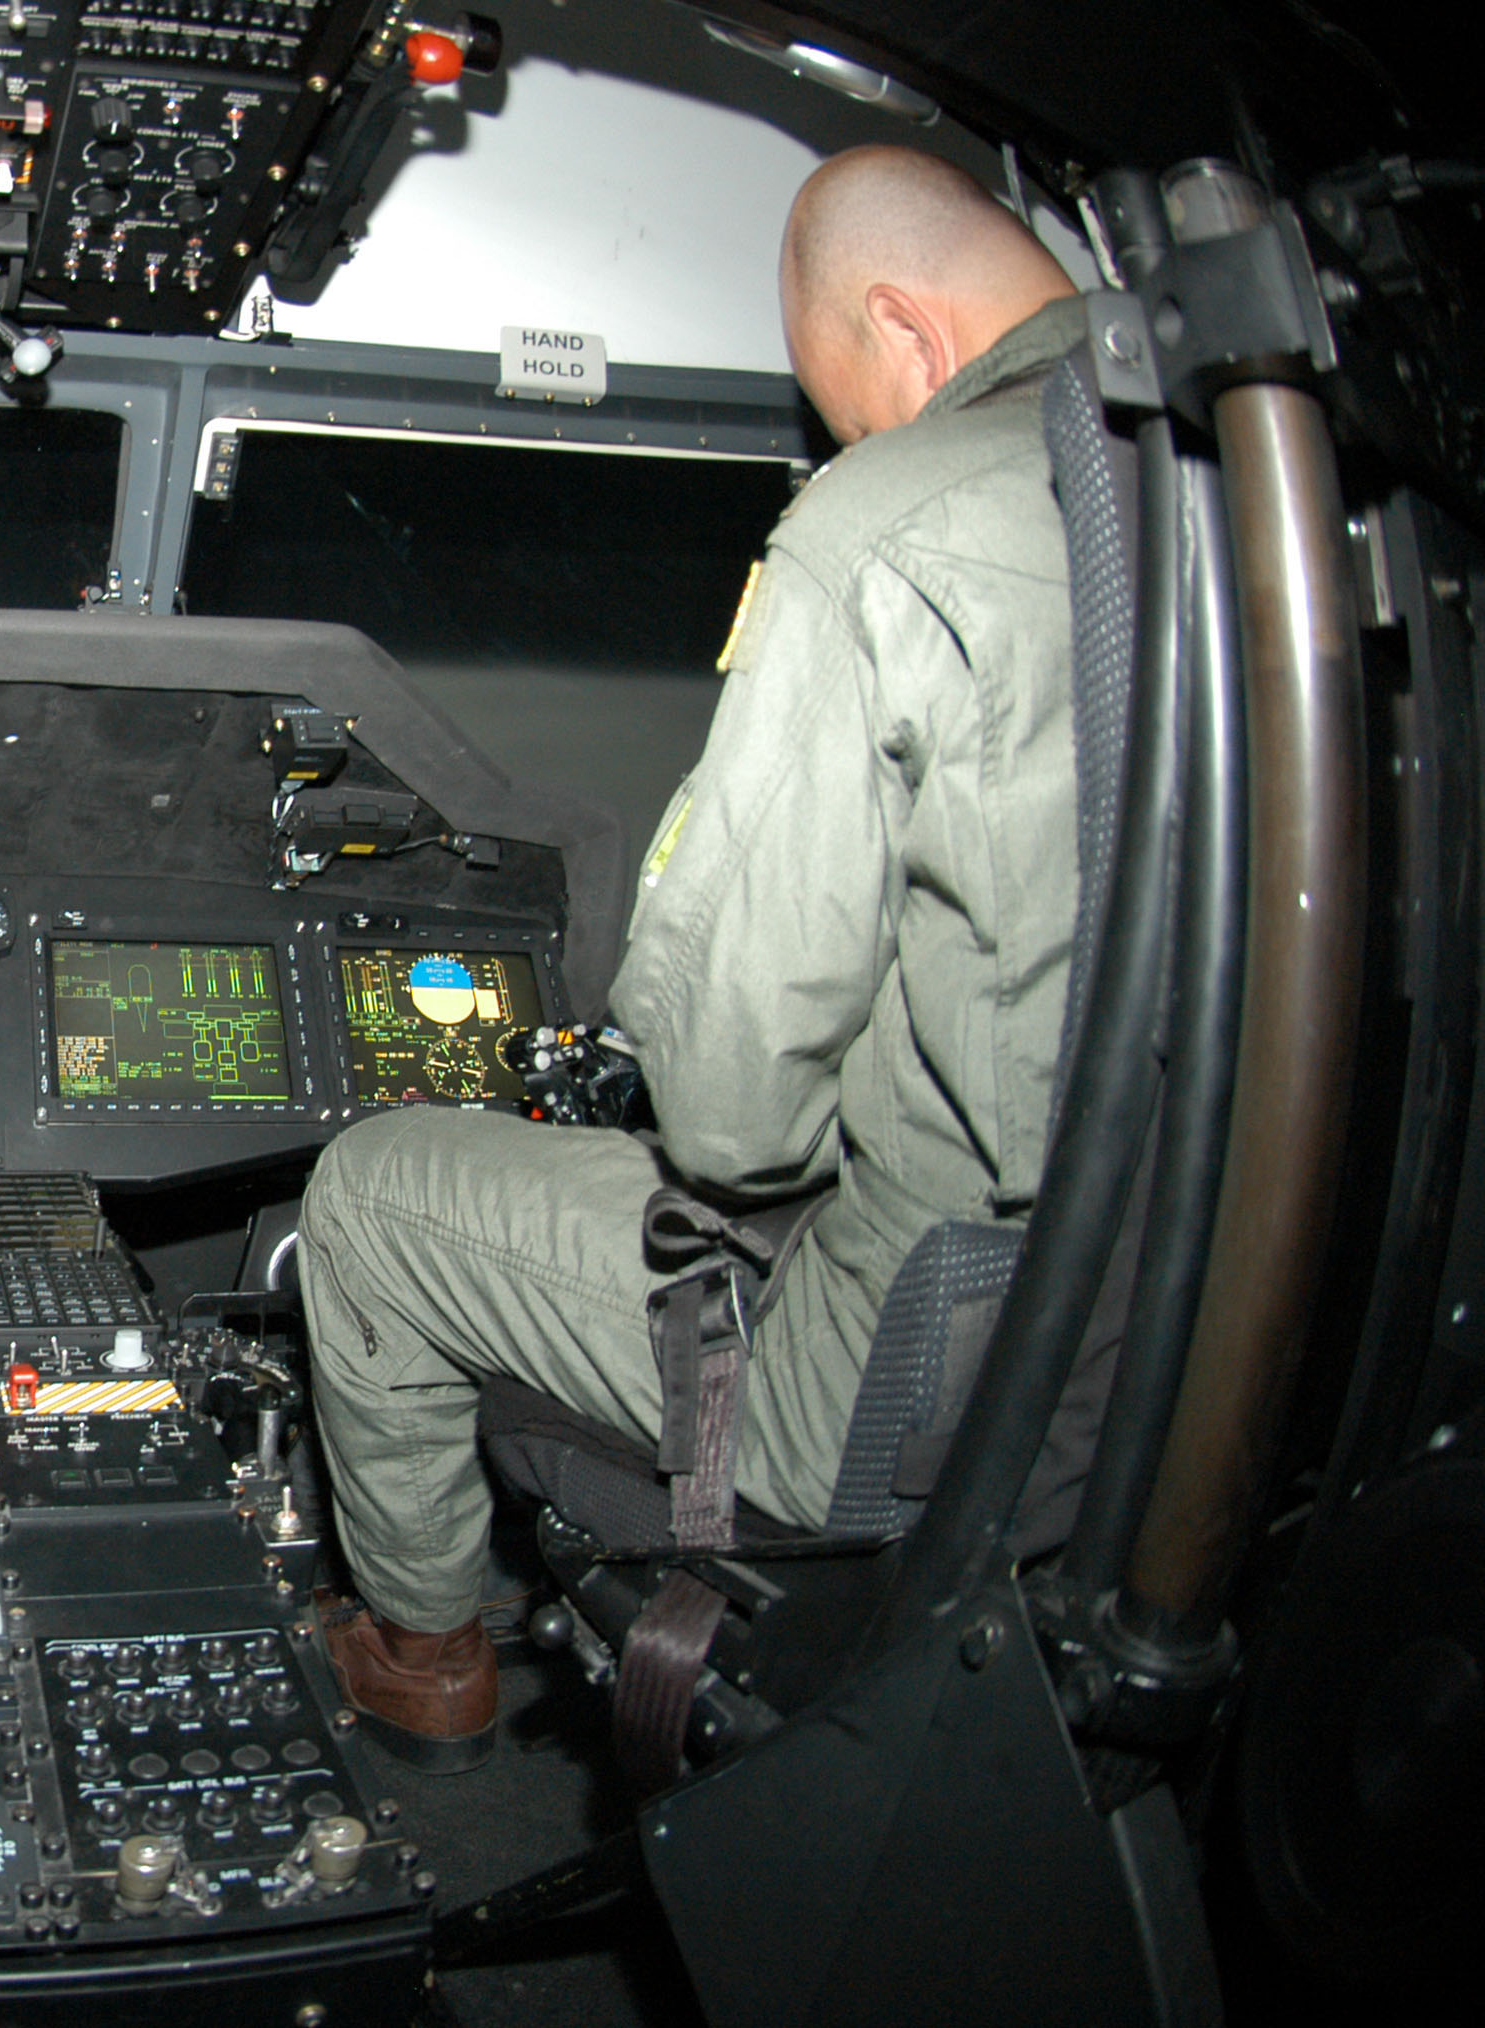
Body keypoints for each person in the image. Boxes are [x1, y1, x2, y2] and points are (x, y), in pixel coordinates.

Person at [300, 146, 1087, 1764]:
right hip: (1126, 1348)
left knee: (370, 1198)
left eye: (850, 409)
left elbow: (731, 1114)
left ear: (908, 337)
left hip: (892, 1368)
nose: (859, 445)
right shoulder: (1240, 504)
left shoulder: (903, 521)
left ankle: (424, 1648)